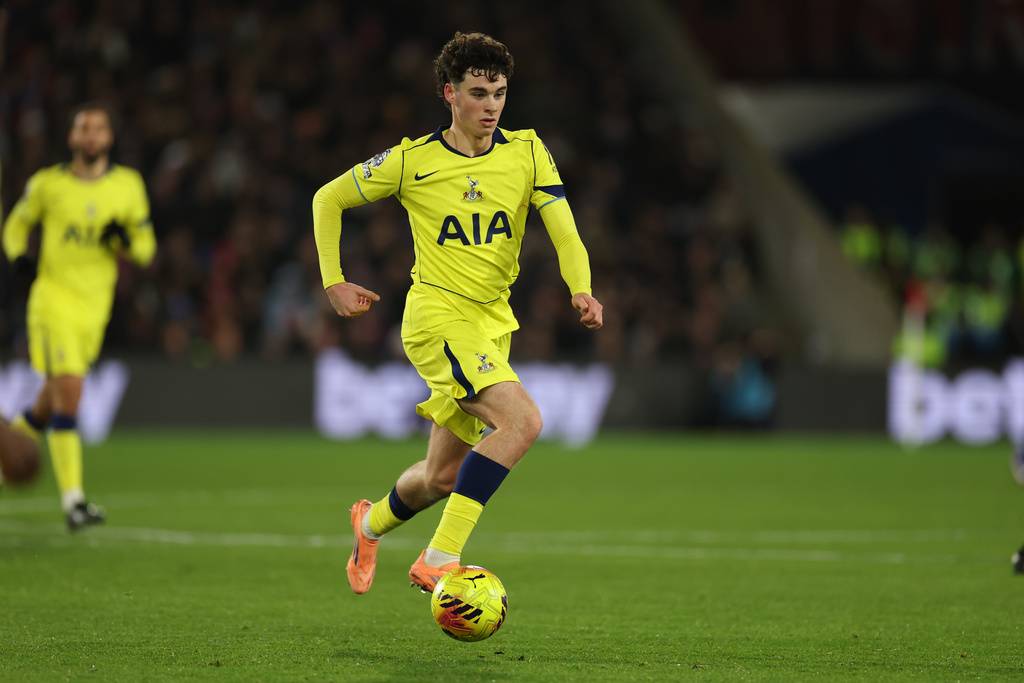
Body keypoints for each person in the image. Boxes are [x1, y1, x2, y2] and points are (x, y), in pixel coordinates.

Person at [313, 31, 603, 595]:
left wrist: (582, 288)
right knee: (523, 422)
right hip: (437, 319)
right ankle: (439, 558)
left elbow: (565, 231)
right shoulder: (410, 161)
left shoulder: (527, 152)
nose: (491, 105)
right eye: (478, 92)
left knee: (443, 477)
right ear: (449, 93)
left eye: (499, 92)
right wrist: (334, 282)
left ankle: (368, 523)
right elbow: (329, 198)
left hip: (493, 325)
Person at [2, 102, 156, 530]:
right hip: (52, 302)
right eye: (83, 129)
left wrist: (125, 238)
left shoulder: (128, 186)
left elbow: (145, 250)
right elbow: (15, 225)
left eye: (99, 129)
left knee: (50, 403)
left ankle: (6, 456)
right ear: (72, 138)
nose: (91, 136)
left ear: (108, 139)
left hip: (94, 310)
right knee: (70, 391)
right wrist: (18, 258)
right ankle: (74, 502)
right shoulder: (48, 185)